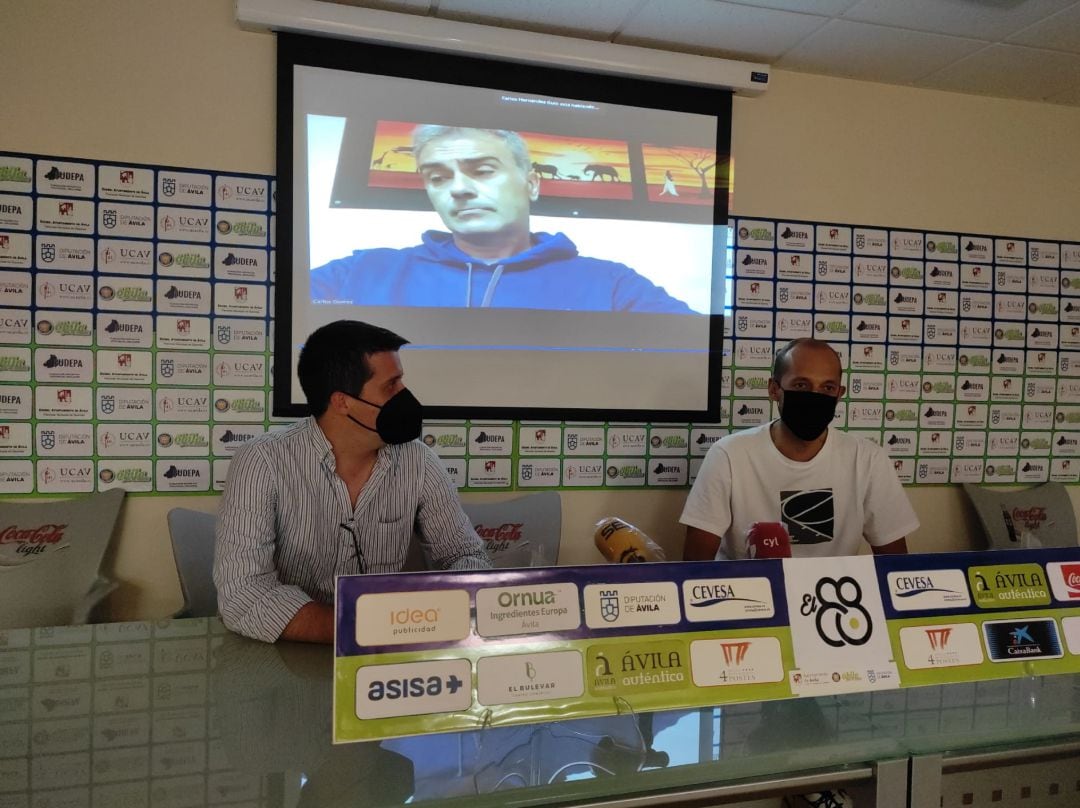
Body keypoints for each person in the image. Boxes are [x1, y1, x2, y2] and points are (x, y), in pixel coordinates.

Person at [214, 319, 490, 644]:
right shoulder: (262, 461)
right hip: (289, 658)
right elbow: (243, 594)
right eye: (391, 386)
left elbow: (467, 555)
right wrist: (365, 626)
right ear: (343, 402)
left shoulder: (418, 460)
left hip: (389, 654)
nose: (406, 396)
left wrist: (437, 611)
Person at [310, 125, 692, 313]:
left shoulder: (613, 285)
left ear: (532, 183)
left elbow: (694, 352)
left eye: (482, 170)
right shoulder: (359, 271)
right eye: (438, 177)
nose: (458, 189)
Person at [681, 337, 918, 561]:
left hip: (836, 597)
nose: (814, 397)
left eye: (827, 388)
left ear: (839, 395)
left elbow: (895, 565)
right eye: (801, 385)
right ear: (774, 390)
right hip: (753, 598)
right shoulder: (728, 456)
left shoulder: (868, 459)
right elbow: (695, 566)